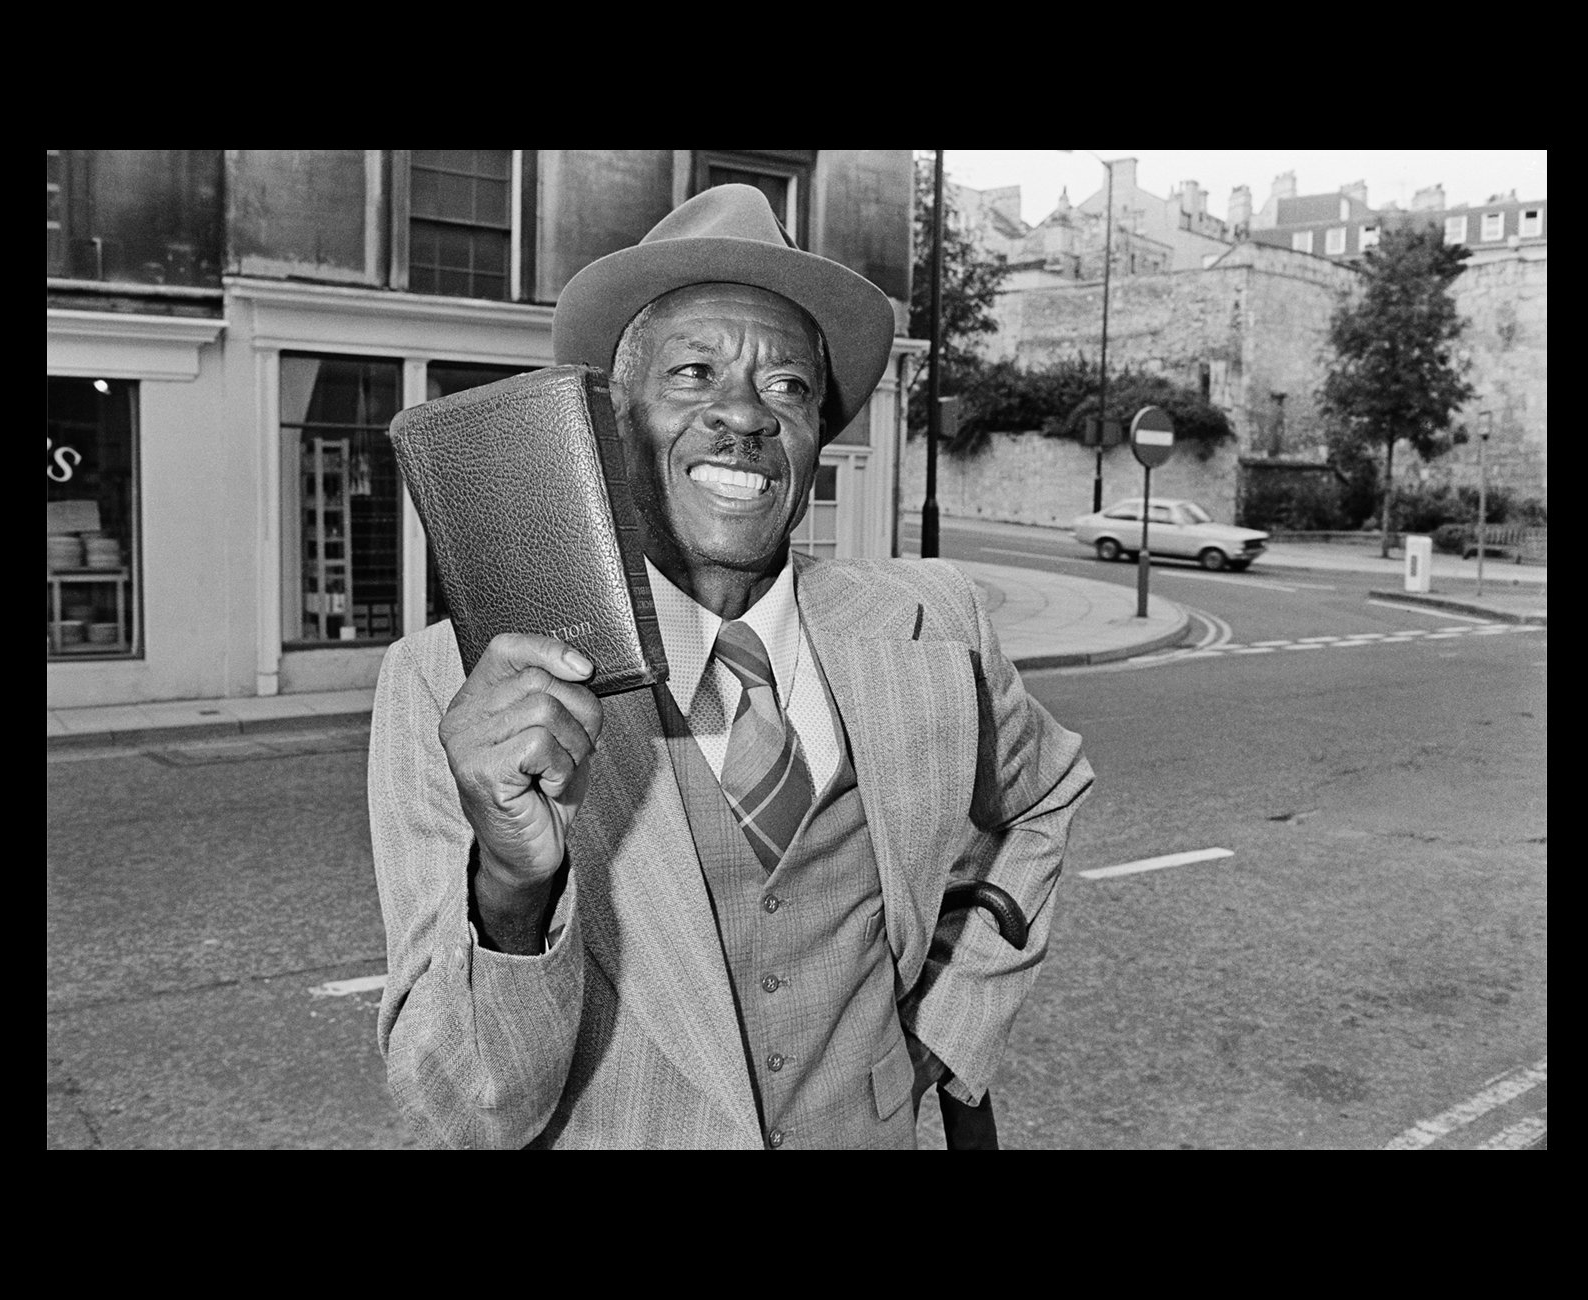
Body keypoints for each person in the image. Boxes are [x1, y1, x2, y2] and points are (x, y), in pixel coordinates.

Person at [368, 184, 1093, 1149]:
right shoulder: (457, 686)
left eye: (787, 387)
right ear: (611, 422)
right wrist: (511, 885)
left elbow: (1045, 798)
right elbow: (462, 1112)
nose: (743, 414)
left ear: (814, 441)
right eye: (693, 374)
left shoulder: (936, 625)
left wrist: (949, 1024)